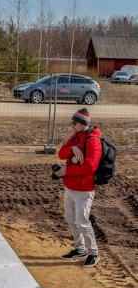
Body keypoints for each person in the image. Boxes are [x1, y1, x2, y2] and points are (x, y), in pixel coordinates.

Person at [54, 108, 104, 268]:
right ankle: (80, 249)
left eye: (74, 123)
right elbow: (61, 154)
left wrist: (67, 170)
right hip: (70, 187)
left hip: (84, 189)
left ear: (82, 124)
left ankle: (93, 252)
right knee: (71, 220)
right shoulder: (76, 137)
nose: (71, 125)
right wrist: (72, 149)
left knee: (82, 222)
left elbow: (90, 167)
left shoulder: (93, 141)